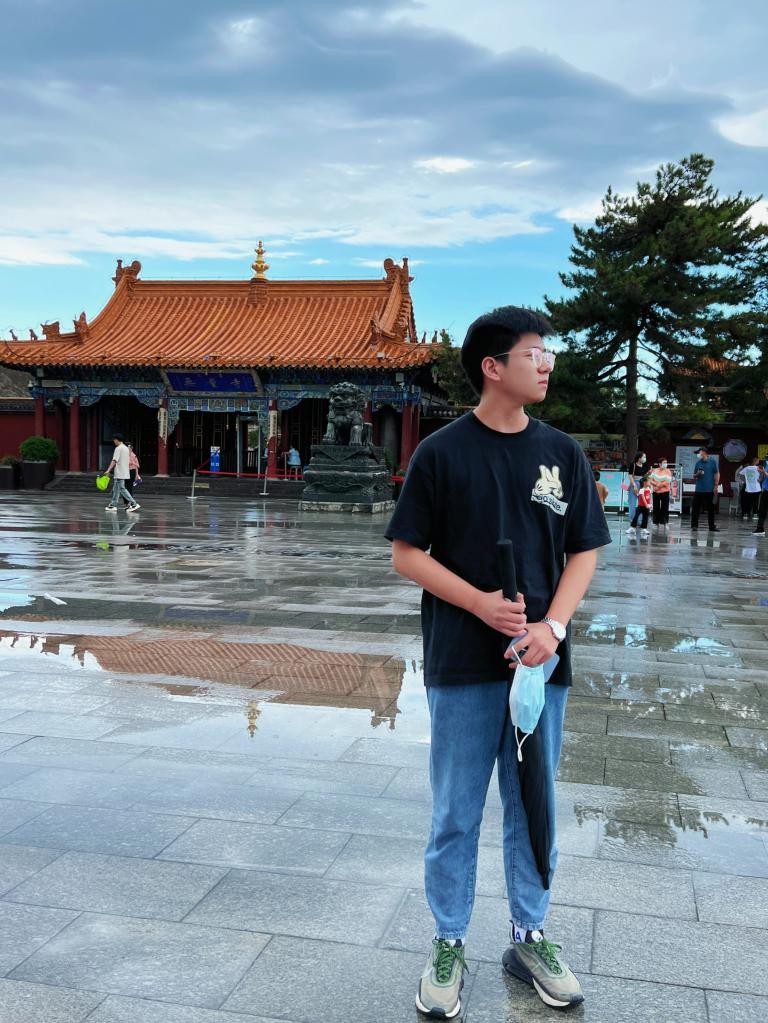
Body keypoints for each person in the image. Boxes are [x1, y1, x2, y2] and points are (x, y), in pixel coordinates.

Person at [385, 306, 610, 1018]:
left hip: (539, 662)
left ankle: (528, 934)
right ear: (493, 366)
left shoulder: (561, 452)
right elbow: (407, 554)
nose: (546, 364)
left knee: (532, 803)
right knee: (456, 808)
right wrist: (480, 604)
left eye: (548, 353)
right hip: (462, 660)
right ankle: (449, 939)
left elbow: (585, 549)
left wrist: (554, 626)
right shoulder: (442, 453)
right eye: (534, 353)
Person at [103, 433, 140, 513]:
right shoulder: (126, 448)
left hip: (120, 472)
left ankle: (134, 503)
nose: (114, 442)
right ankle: (113, 505)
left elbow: (114, 460)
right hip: (124, 472)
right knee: (116, 489)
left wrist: (108, 470)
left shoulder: (118, 448)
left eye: (114, 440)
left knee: (122, 489)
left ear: (116, 440)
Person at [690, 447, 719, 532]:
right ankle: (694, 526)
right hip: (699, 489)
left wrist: (716, 485)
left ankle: (712, 526)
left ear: (704, 452)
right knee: (695, 508)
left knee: (711, 509)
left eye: (699, 452)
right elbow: (694, 476)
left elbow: (717, 473)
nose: (698, 454)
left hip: (709, 489)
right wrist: (697, 474)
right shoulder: (698, 463)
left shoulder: (712, 462)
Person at [650, 459, 673, 528]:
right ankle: (655, 523)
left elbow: (667, 481)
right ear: (659, 464)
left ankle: (665, 522)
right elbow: (650, 479)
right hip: (656, 492)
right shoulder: (655, 470)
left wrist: (659, 486)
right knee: (656, 507)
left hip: (665, 492)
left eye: (666, 462)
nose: (666, 464)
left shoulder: (668, 471)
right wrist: (656, 485)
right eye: (664, 462)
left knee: (665, 507)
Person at [626, 451, 646, 523]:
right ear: (639, 458)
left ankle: (640, 520)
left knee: (642, 503)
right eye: (643, 457)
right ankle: (632, 519)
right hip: (635, 483)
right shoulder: (633, 464)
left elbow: (644, 476)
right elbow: (630, 475)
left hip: (642, 484)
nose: (645, 458)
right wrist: (634, 485)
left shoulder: (644, 465)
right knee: (632, 502)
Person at [752, 458, 768, 538]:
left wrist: (764, 471)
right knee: (762, 510)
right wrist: (758, 477)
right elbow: (763, 478)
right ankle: (760, 529)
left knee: (763, 510)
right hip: (765, 490)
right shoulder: (766, 464)